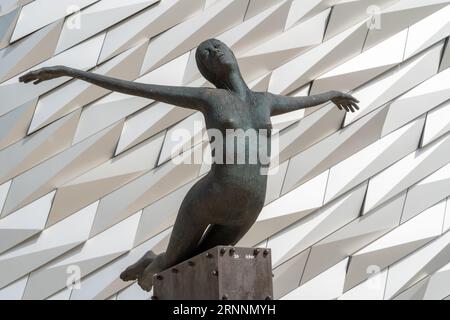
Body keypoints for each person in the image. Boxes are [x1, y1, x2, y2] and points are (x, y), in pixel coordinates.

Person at [20, 38, 359, 291]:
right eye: (205, 55)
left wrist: (331, 95)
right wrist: (72, 72)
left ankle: (153, 262)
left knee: (204, 272)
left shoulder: (265, 101)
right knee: (176, 265)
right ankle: (154, 263)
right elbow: (137, 89)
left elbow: (305, 99)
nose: (212, 52)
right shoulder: (210, 98)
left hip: (251, 204)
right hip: (210, 197)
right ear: (207, 71)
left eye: (216, 46)